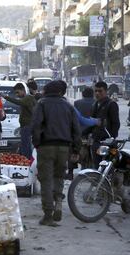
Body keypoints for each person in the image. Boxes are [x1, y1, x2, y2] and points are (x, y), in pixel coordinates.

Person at [32, 80, 81, 226]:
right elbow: (76, 129)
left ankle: (48, 215)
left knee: (46, 180)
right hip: (64, 148)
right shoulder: (68, 106)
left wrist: (37, 144)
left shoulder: (41, 103)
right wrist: (76, 149)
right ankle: (58, 201)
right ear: (60, 92)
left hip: (46, 147)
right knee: (59, 176)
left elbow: (35, 125)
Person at [1, 83, 36, 159]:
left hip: (27, 126)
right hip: (25, 125)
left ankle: (26, 160)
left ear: (23, 90)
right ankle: (26, 159)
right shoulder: (27, 99)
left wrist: (6, 97)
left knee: (25, 145)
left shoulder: (27, 98)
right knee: (25, 144)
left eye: (18, 92)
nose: (17, 95)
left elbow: (19, 102)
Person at [91, 81, 120, 168]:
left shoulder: (111, 104)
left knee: (108, 167)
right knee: (97, 167)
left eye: (100, 91)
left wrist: (112, 138)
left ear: (106, 91)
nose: (97, 93)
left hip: (107, 142)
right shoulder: (95, 104)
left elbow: (116, 123)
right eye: (95, 91)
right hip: (96, 141)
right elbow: (92, 122)